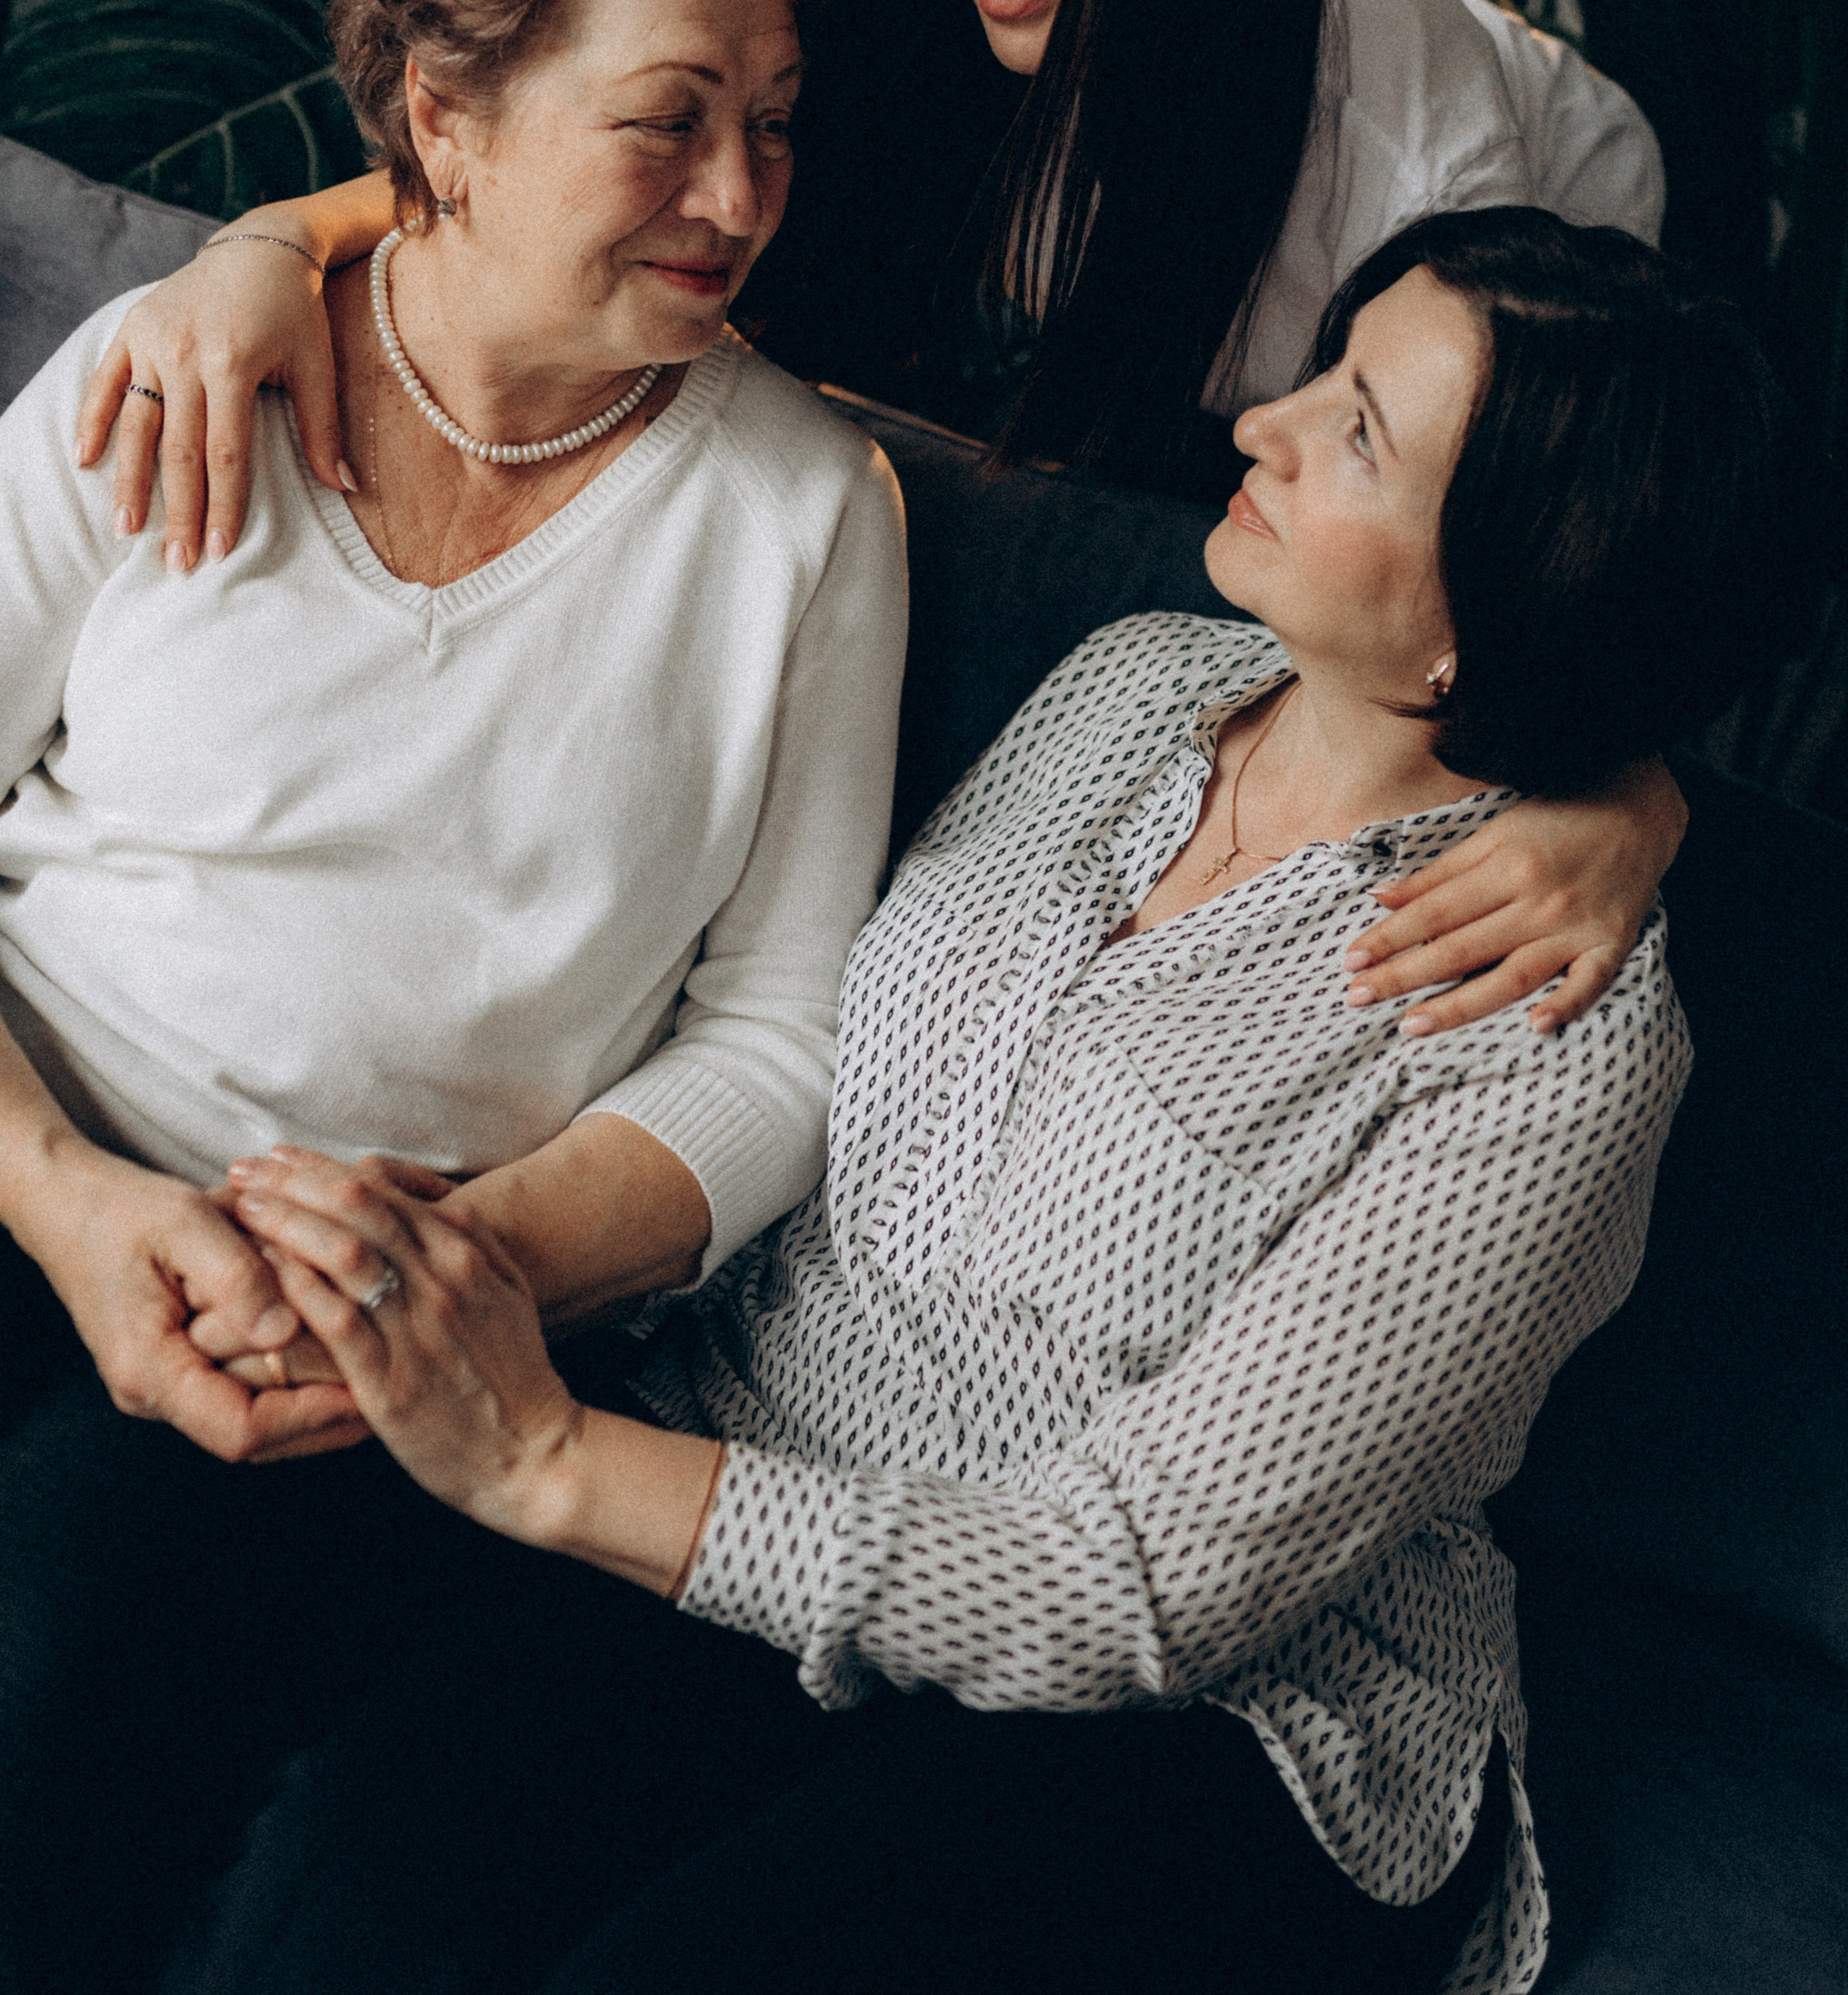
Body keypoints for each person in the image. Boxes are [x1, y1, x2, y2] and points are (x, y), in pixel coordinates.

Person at [156, 209, 1794, 1995]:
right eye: (1322, 368)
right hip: (756, 1475)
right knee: (337, 1891)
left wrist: (544, 1462)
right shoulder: (1130, 685)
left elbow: (1140, 1585)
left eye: (1356, 434)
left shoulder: (1547, 1038)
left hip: (1195, 1709)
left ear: (1503, 595)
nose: (1261, 420)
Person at [71, 0, 1681, 1046]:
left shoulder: (1429, 185)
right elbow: (557, 153)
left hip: (1551, 310)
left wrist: (1627, 797)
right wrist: (272, 245)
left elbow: (1581, 565)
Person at [0, 0, 907, 1993]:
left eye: (770, 124)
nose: (737, 194)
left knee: (82, 1620)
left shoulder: (805, 524)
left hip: (379, 1337)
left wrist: (448, 1281)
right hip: (30, 1172)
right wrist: (72, 1203)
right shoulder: (169, 377)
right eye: (667, 122)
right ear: (445, 114)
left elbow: (788, 1038)